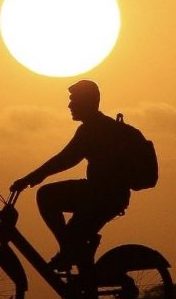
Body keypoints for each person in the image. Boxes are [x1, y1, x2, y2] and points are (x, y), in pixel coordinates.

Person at [10, 80, 131, 274]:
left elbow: (65, 159)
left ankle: (69, 253)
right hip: (103, 195)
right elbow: (67, 159)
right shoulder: (96, 127)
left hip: (102, 197)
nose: (70, 105)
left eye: (74, 100)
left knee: (47, 196)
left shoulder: (94, 130)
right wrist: (33, 177)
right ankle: (84, 286)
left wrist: (29, 179)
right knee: (75, 239)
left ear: (88, 102)